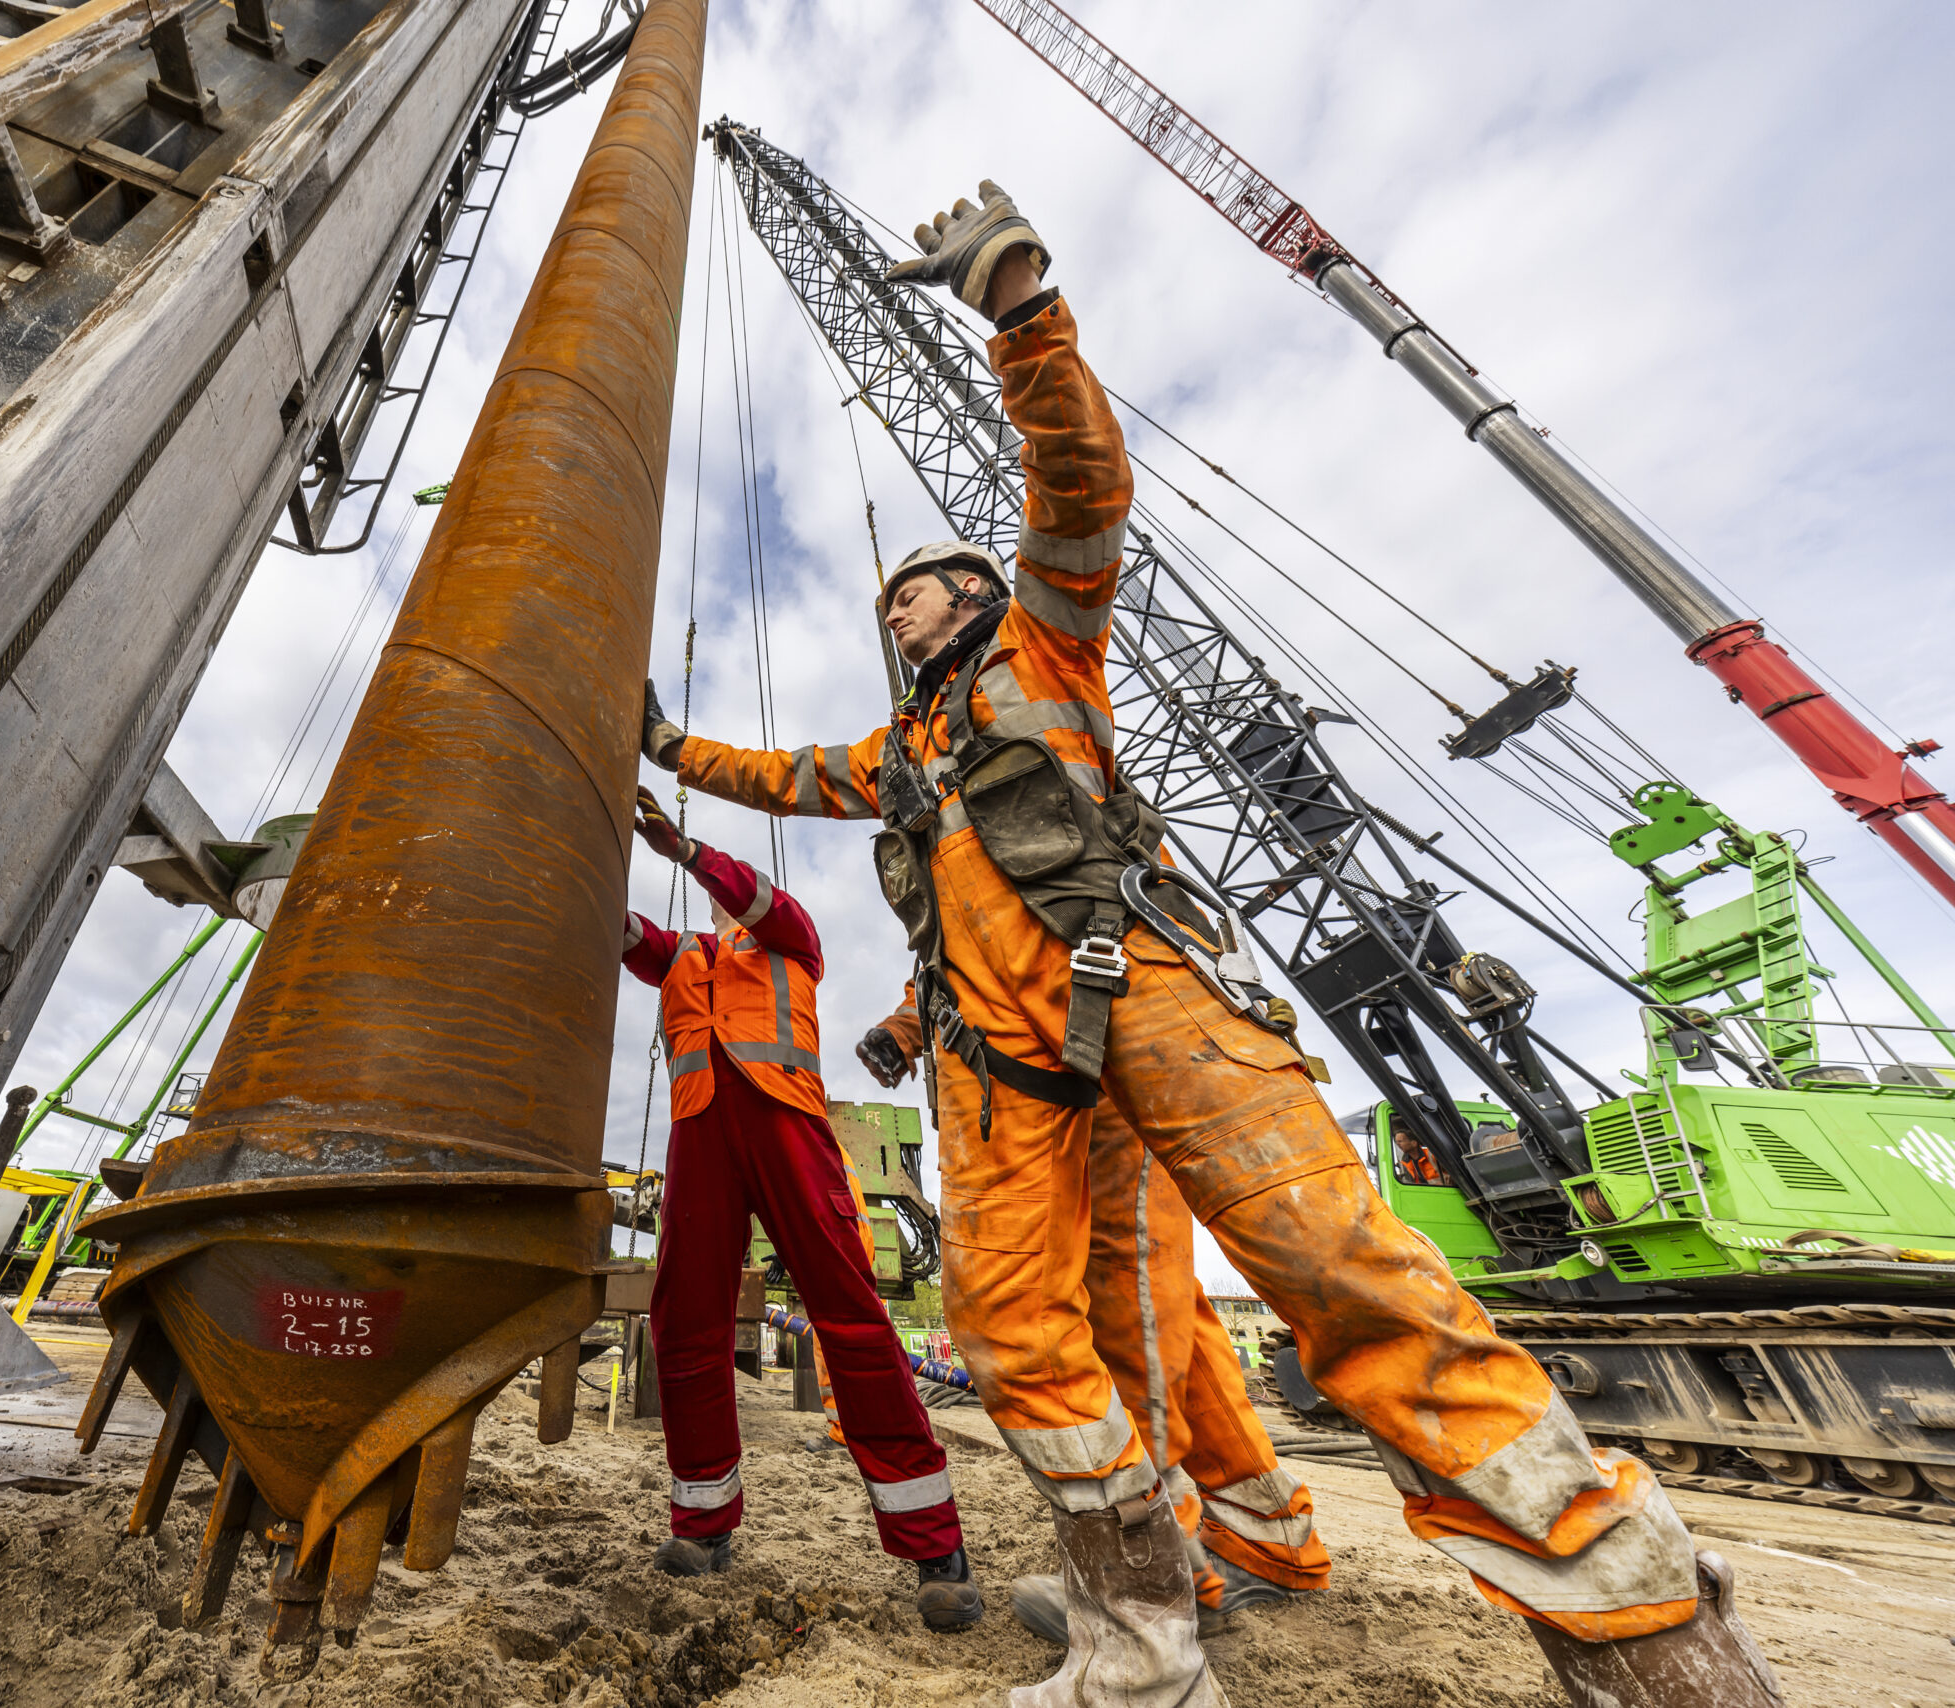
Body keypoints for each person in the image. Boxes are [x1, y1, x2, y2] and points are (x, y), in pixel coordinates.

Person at [636, 182, 1781, 1708]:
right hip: (999, 1067)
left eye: (919, 588)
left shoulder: (1049, 640)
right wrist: (660, 746)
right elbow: (779, 782)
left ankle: (1642, 1632)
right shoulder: (894, 751)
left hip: (1150, 996)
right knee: (1023, 1330)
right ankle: (1142, 1649)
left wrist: (1023, 317)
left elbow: (1078, 487)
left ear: (975, 596)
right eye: (891, 602)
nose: (898, 609)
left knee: (1337, 1268)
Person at [619, 786, 982, 1632]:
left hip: (787, 1127)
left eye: (721, 889)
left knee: (850, 1317)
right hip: (701, 1135)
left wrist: (684, 848)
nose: (718, 901)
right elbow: (628, 935)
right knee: (685, 1325)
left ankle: (935, 1546)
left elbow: (752, 891)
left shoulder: (790, 933)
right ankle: (703, 1527)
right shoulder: (681, 956)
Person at [860, 994, 1333, 1636]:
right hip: (1058, 1064)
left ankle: (1158, 1571)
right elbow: (954, 952)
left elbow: (1004, 932)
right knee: (1164, 1309)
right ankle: (1265, 1526)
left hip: (1084, 1060)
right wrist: (905, 1029)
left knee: (1126, 1295)